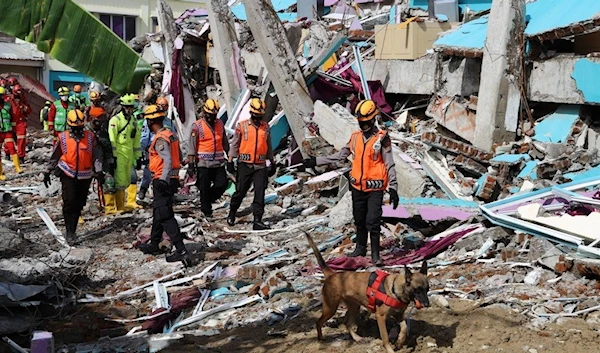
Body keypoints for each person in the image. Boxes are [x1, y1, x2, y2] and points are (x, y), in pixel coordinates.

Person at [303, 100, 399, 266]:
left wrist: (394, 188)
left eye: (366, 122)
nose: (363, 125)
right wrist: (316, 161)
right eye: (360, 122)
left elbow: (389, 163)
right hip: (357, 188)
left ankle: (375, 254)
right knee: (359, 219)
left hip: (375, 188)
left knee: (373, 221)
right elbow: (340, 156)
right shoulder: (355, 138)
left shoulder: (382, 139)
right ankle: (360, 248)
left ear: (373, 119)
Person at [136, 105, 190, 265]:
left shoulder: (160, 139)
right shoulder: (171, 135)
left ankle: (181, 250)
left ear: (151, 121)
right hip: (170, 179)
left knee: (165, 215)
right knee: (158, 212)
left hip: (163, 180)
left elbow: (166, 160)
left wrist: (162, 180)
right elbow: (178, 156)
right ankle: (154, 243)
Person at [43, 109, 103, 244]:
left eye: (80, 127)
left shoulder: (90, 137)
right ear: (70, 126)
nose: (78, 130)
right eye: (75, 128)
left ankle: (73, 229)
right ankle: (70, 232)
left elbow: (97, 155)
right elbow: (55, 156)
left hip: (85, 175)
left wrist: (99, 172)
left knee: (79, 203)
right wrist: (47, 171)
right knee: (69, 202)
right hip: (67, 173)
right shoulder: (63, 137)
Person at [227, 98, 276, 230]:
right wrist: (230, 160)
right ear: (251, 113)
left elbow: (268, 145)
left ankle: (257, 220)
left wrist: (272, 161)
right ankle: (232, 212)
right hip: (245, 164)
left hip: (260, 165)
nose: (257, 118)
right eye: (255, 115)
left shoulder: (265, 127)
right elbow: (235, 144)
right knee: (240, 191)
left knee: (260, 192)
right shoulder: (241, 126)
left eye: (259, 115)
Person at [188, 99, 229, 217]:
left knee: (222, 184)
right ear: (205, 113)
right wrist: (191, 164)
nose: (212, 117)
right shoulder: (197, 126)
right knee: (204, 187)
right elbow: (192, 146)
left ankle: (207, 200)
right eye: (210, 115)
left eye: (214, 115)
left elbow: (225, 142)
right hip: (203, 163)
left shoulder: (220, 124)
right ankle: (206, 210)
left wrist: (230, 157)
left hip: (218, 162)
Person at [108, 94, 141, 212]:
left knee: (128, 178)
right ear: (122, 107)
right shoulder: (116, 120)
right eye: (127, 107)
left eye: (131, 107)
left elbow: (136, 140)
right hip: (120, 153)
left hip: (129, 153)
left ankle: (126, 203)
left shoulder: (134, 121)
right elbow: (112, 139)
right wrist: (114, 156)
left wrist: (138, 157)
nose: (129, 109)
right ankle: (119, 206)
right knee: (120, 179)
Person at [137, 96, 175, 201]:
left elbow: (173, 135)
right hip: (153, 148)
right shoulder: (149, 121)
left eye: (164, 107)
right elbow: (145, 136)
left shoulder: (169, 122)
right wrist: (143, 150)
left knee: (164, 170)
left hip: (165, 149)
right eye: (160, 106)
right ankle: (143, 189)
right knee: (149, 171)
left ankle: (163, 190)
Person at [87, 106, 118, 215]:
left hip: (102, 162)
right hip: (86, 163)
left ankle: (109, 208)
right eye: (98, 119)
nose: (100, 122)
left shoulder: (104, 131)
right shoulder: (85, 132)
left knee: (109, 182)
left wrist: (111, 161)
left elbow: (108, 146)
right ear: (91, 119)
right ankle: (78, 213)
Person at [8, 84, 31, 164]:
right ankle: (7, 154)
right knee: (8, 139)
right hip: (11, 122)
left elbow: (29, 111)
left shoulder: (23, 100)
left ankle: (21, 157)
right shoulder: (9, 99)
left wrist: (24, 107)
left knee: (21, 140)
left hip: (21, 122)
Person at [0, 87, 19, 178]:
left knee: (12, 148)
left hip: (7, 130)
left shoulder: (8, 105)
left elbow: (13, 117)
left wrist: (14, 129)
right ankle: (0, 173)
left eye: (1, 95)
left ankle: (18, 168)